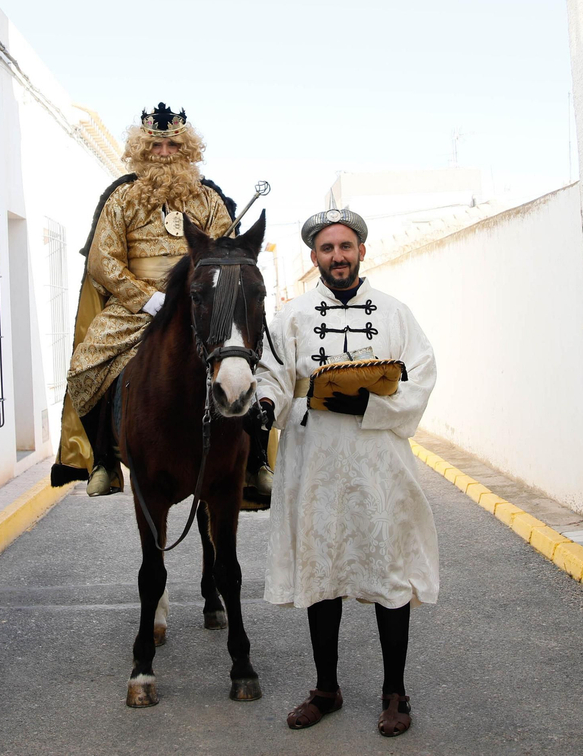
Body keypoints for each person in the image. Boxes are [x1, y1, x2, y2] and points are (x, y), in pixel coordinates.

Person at [254, 207, 438, 738]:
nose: (338, 255)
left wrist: (370, 406)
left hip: (379, 467)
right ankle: (326, 689)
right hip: (314, 465)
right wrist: (267, 403)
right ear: (314, 256)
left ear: (362, 251)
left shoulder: (397, 313)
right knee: (322, 571)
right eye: (327, 248)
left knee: (388, 573)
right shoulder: (289, 318)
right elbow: (273, 375)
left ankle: (395, 693)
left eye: (346, 246)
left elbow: (421, 378)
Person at [51, 104, 274, 504]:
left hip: (201, 303)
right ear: (143, 148)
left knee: (246, 359)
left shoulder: (208, 200)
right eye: (156, 144)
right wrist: (147, 298)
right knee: (84, 367)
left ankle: (256, 459)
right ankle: (102, 459)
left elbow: (227, 253)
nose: (164, 151)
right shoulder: (123, 199)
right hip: (138, 306)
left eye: (173, 144)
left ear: (186, 149)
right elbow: (103, 261)